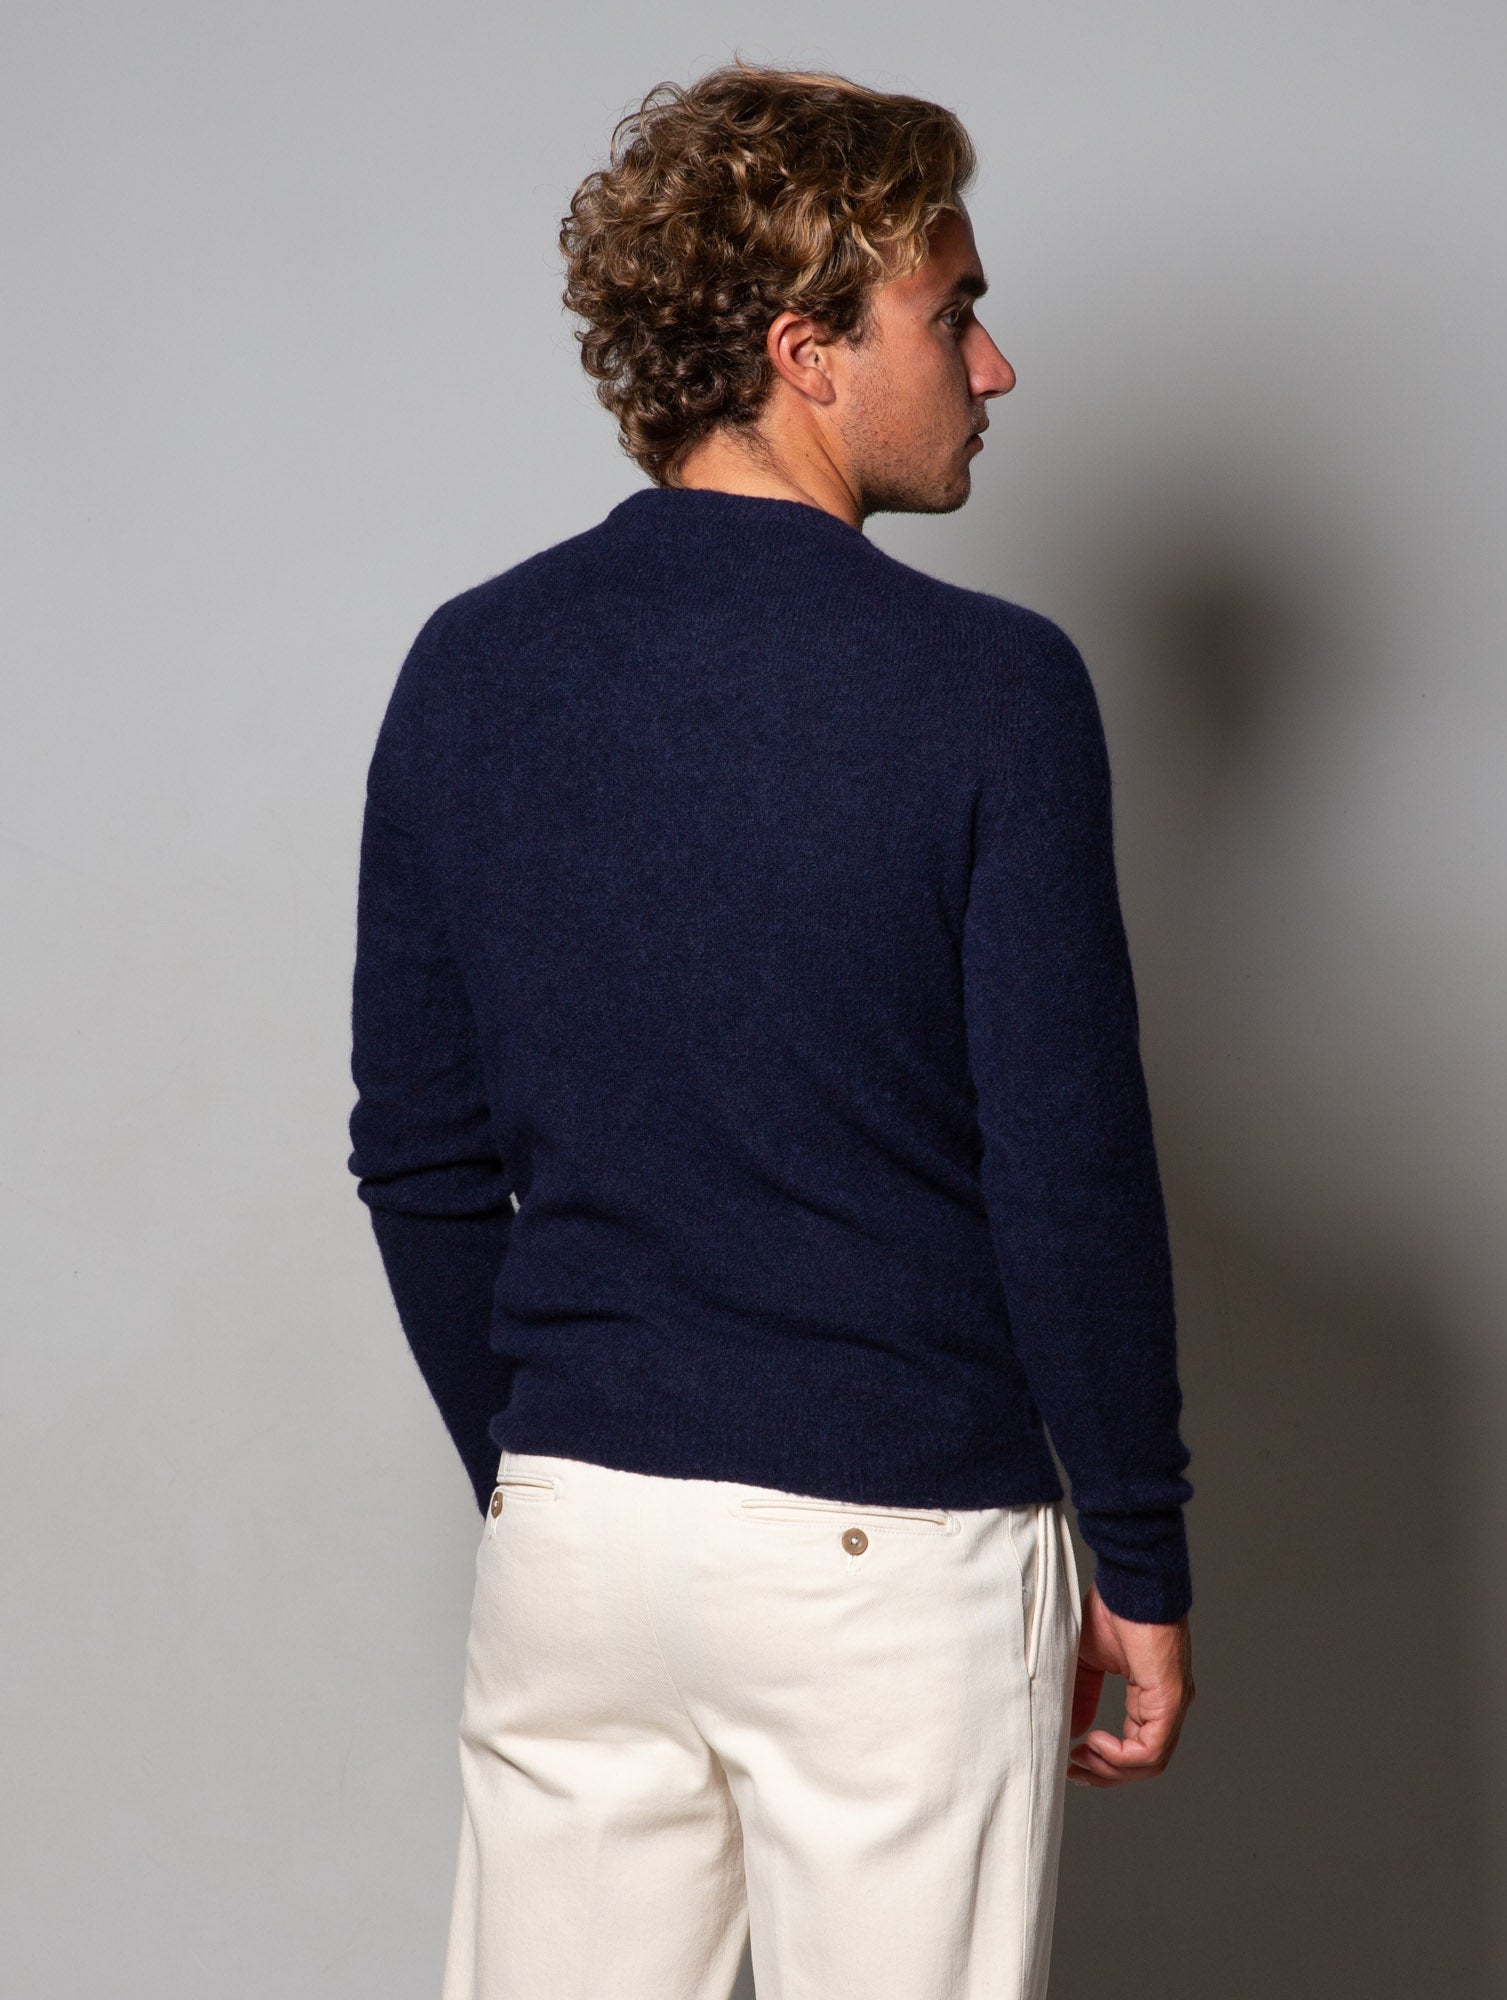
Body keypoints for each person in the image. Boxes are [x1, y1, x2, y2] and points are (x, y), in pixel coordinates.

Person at [347, 57, 1196, 2000]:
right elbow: (1063, 1168)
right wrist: (1139, 1556)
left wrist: (562, 1475)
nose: (991, 367)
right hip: (889, 1555)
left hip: (578, 1539)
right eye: (951, 313)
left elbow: (418, 1159)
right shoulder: (988, 689)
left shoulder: (471, 663)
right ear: (805, 351)